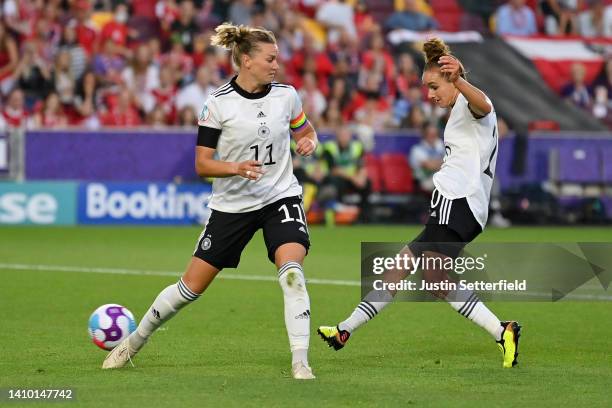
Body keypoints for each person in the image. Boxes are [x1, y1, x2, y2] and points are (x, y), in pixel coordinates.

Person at [102, 22, 319, 380]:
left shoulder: (287, 95)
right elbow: (202, 164)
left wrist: (309, 141)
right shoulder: (218, 104)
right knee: (190, 289)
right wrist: (235, 167)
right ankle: (134, 342)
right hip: (231, 206)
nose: (276, 65)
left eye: (277, 58)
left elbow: (306, 130)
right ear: (246, 60)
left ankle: (300, 361)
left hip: (279, 196)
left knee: (292, 273)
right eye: (271, 58)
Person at [318, 38, 521, 369]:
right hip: (460, 204)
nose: (430, 95)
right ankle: (344, 330)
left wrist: (459, 81)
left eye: (433, 86)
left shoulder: (469, 106)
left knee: (434, 278)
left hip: (459, 202)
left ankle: (502, 331)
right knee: (398, 268)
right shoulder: (459, 111)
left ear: (451, 79)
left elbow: (484, 104)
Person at [409, 121, 445, 193]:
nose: (433, 137)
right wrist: (441, 163)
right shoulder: (417, 150)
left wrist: (437, 163)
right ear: (424, 135)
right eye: (430, 134)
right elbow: (430, 166)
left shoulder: (440, 145)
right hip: (424, 181)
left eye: (435, 135)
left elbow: (450, 162)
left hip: (440, 178)